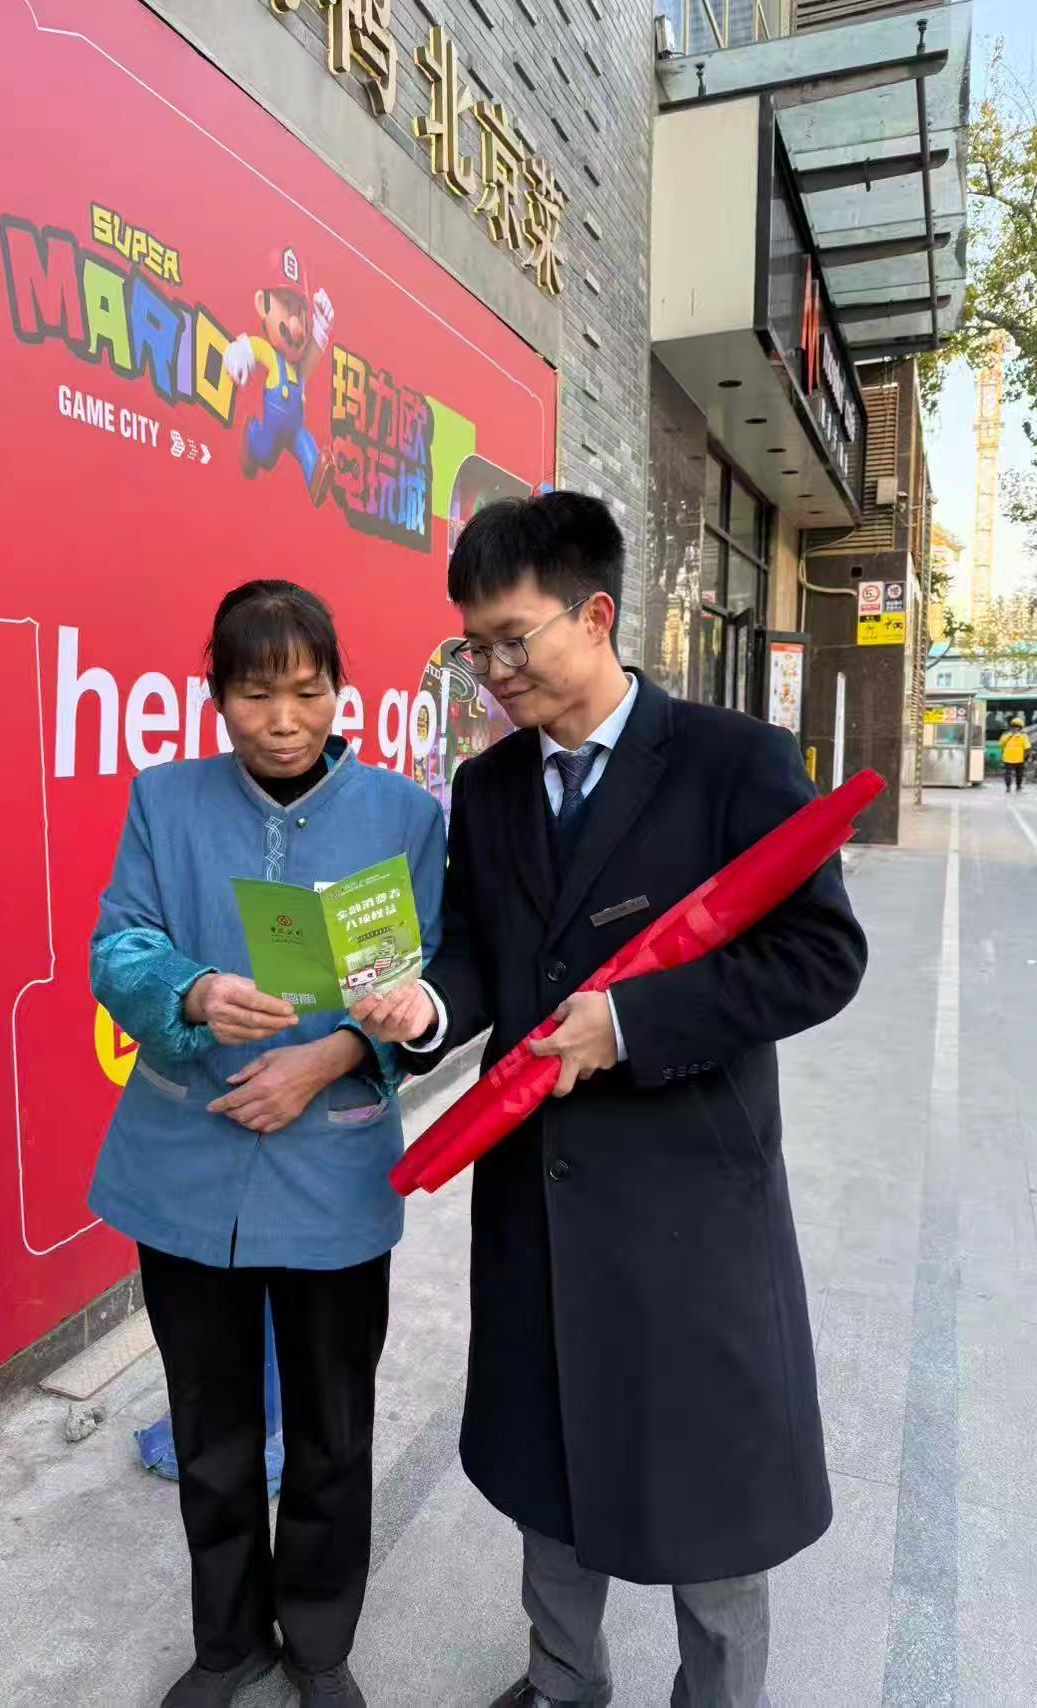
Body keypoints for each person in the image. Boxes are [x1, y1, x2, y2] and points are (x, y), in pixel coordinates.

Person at [355, 493, 868, 1708]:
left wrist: (630, 1024)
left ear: (594, 616)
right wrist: (424, 1012)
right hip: (537, 1192)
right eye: (473, 648)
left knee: (710, 1489)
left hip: (689, 1198)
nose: (493, 673)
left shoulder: (729, 761)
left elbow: (819, 955)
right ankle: (561, 1680)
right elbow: (476, 954)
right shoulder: (488, 788)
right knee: (547, 1467)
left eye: (512, 641)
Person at [88, 580, 444, 1708]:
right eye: (255, 693)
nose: (283, 720)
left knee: (334, 1429)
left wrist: (331, 1057)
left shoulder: (403, 817)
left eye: (307, 689)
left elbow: (427, 980)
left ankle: (320, 1645)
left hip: (331, 1164)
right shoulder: (165, 801)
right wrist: (192, 992)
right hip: (186, 1164)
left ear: (340, 690)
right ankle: (228, 1640)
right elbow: (119, 945)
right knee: (212, 1424)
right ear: (217, 695)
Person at [1001, 716, 1031, 792]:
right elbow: (1027, 747)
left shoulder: (1006, 734)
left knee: (1008, 773)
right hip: (1019, 757)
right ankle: (1018, 786)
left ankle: (1008, 787)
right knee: (1019, 773)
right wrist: (1027, 755)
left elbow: (1001, 744)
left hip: (1008, 757)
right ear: (1021, 726)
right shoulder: (1023, 735)